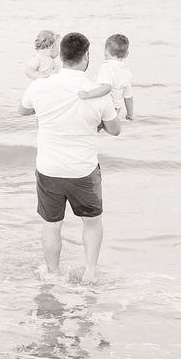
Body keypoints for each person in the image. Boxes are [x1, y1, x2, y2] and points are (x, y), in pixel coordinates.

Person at [18, 32, 121, 283]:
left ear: (61, 56)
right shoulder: (97, 92)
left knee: (52, 224)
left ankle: (52, 274)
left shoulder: (40, 86)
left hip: (49, 168)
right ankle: (90, 273)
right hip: (82, 170)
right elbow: (115, 130)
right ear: (86, 57)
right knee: (92, 222)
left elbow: (22, 110)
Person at [76, 34, 134, 121]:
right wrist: (130, 115)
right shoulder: (126, 71)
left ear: (105, 52)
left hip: (105, 107)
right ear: (126, 54)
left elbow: (106, 88)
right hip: (115, 109)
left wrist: (87, 94)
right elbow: (128, 97)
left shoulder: (106, 66)